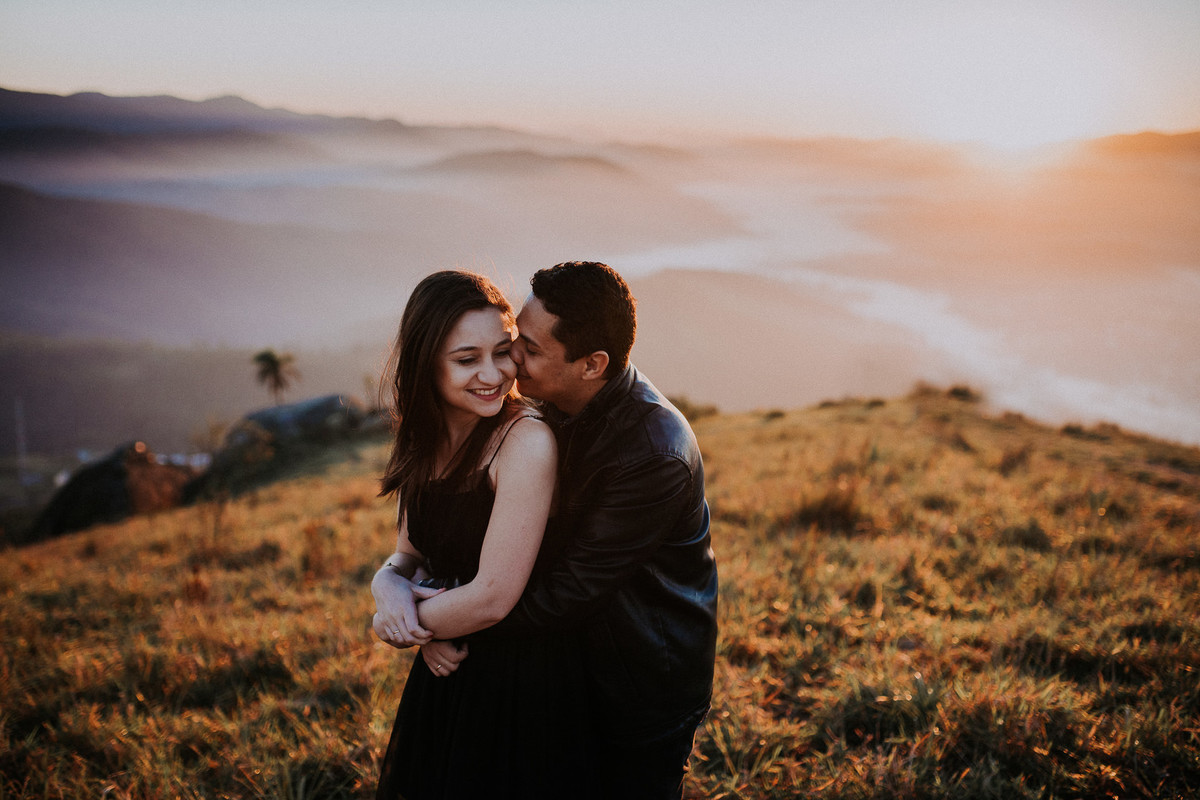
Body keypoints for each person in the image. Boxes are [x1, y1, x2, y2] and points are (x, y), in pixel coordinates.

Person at [383, 261, 720, 798]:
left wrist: (420, 621)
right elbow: (416, 549)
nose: (508, 364)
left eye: (525, 350)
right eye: (518, 337)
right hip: (545, 665)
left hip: (636, 680)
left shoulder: (652, 453)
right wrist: (391, 586)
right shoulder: (542, 404)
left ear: (592, 365)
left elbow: (563, 594)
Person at [369, 269, 595, 799]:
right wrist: (387, 585)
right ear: (427, 363)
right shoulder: (423, 444)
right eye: (467, 359)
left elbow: (493, 597)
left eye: (503, 351)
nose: (493, 374)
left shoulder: (524, 441)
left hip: (521, 683)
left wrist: (395, 625)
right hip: (449, 673)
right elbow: (407, 555)